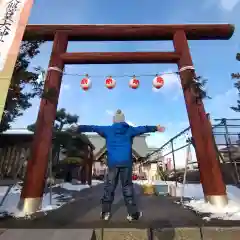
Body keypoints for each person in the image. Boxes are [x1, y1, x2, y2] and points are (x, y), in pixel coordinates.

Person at [70, 109, 165, 221]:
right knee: (127, 187)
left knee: (109, 187)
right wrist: (156, 128)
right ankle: (133, 214)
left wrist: (79, 128)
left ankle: (105, 212)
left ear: (114, 120)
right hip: (126, 162)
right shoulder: (130, 130)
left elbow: (93, 127)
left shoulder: (108, 130)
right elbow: (143, 128)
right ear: (123, 120)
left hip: (113, 163)